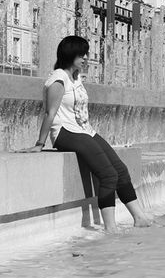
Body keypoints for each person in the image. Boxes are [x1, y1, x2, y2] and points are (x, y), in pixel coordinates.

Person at [21, 35, 151, 232]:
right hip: (65, 132)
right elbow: (50, 113)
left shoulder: (76, 78)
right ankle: (110, 228)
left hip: (84, 131)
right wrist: (40, 143)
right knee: (108, 175)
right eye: (82, 54)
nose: (85, 58)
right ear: (70, 55)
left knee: (121, 171)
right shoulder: (58, 80)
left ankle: (140, 217)